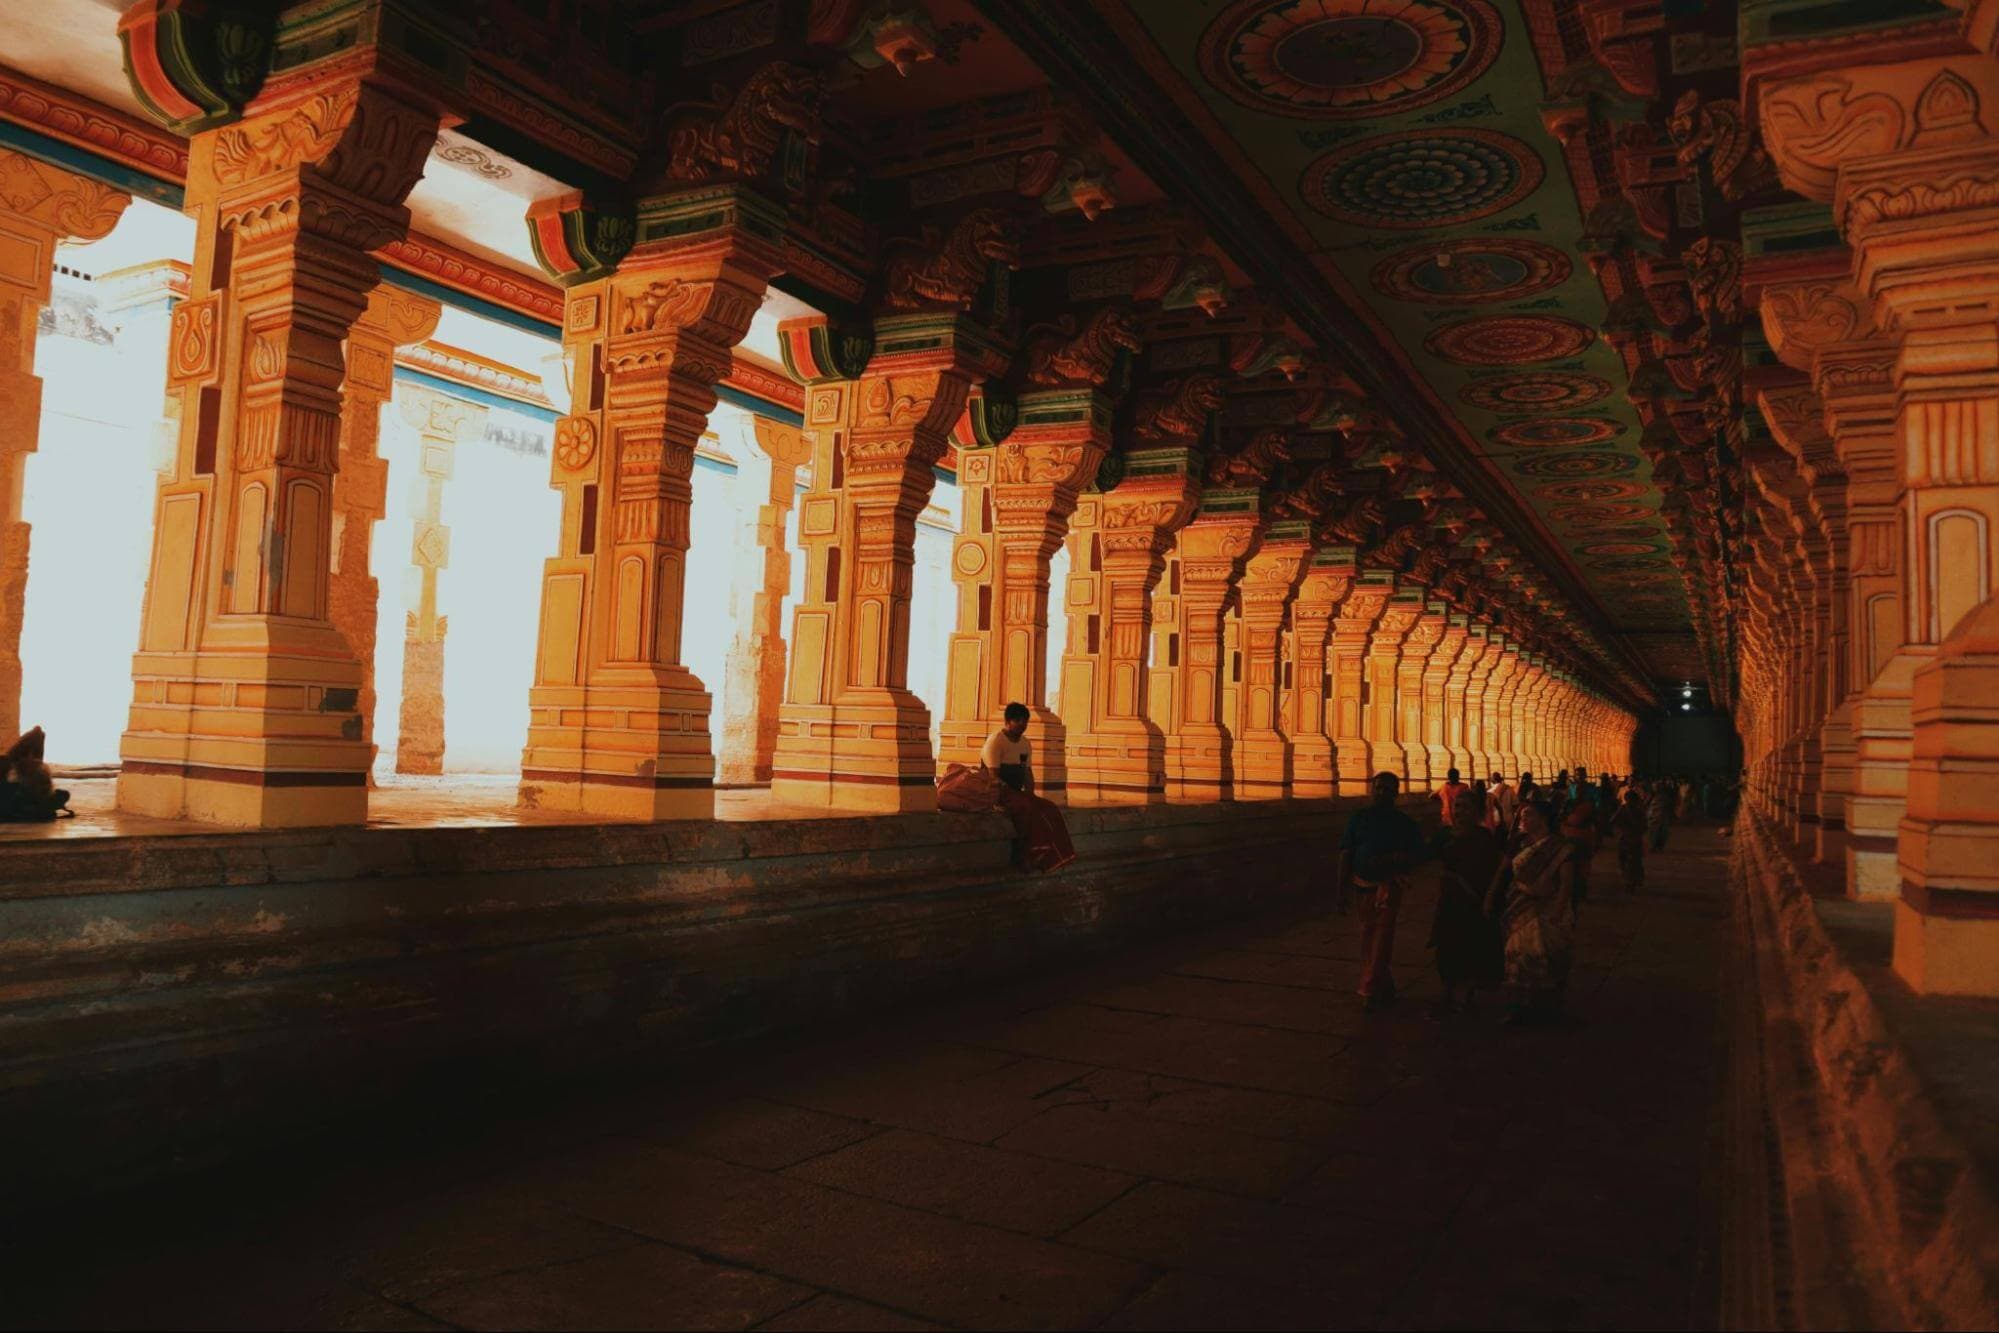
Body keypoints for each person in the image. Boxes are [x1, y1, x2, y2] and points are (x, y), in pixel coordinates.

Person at [1337, 771, 1427, 1011]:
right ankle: (1384, 983)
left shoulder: (1404, 823)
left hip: (1388, 887)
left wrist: (1396, 860)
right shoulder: (1359, 818)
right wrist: (1340, 889)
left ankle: (1369, 988)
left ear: (1396, 793)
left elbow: (1419, 854)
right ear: (1372, 789)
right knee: (1369, 935)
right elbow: (1346, 852)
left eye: (1387, 789)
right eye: (1378, 788)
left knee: (1381, 937)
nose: (1382, 793)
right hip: (1361, 886)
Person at [1498, 799, 1579, 1025]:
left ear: (1543, 819)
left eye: (1529, 815)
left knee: (1548, 959)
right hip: (1519, 907)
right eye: (1521, 815)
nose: (1523, 819)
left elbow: (1566, 884)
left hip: (1548, 910)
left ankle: (1549, 1010)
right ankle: (1518, 1008)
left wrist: (1557, 911)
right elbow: (1503, 872)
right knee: (1517, 958)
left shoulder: (1560, 848)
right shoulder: (1519, 843)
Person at [1428, 786, 1505, 1016]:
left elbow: (1494, 872)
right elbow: (1425, 854)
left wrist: (1489, 900)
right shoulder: (1445, 836)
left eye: (1465, 807)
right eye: (1457, 806)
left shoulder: (1484, 839)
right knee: (1446, 948)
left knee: (1471, 948)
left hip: (1474, 902)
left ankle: (1466, 994)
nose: (1459, 811)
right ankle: (1447, 992)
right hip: (1450, 901)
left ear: (1478, 813)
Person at [980, 702, 1076, 873]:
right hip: (997, 791)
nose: (1022, 725)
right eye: (1018, 721)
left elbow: (1027, 773)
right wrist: (1018, 796)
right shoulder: (996, 741)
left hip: (1016, 792)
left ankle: (1053, 855)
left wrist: (1030, 794)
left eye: (1025, 721)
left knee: (1049, 808)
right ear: (1008, 722)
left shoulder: (1025, 743)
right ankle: (1022, 855)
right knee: (1026, 809)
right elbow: (993, 776)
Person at [1610, 786, 1648, 893]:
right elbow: (1645, 826)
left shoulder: (1623, 808)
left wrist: (1622, 828)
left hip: (1625, 838)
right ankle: (1635, 880)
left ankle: (1629, 881)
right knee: (1635, 860)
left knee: (1625, 860)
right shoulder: (1639, 810)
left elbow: (1612, 821)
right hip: (1634, 839)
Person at [1645, 777, 1673, 852]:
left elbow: (1669, 807)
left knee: (1662, 833)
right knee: (1653, 833)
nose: (1655, 788)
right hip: (1653, 818)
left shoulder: (1664, 797)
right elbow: (1646, 805)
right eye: (1654, 787)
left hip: (1662, 817)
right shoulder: (1651, 796)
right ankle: (1653, 846)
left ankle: (1659, 847)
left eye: (1657, 787)